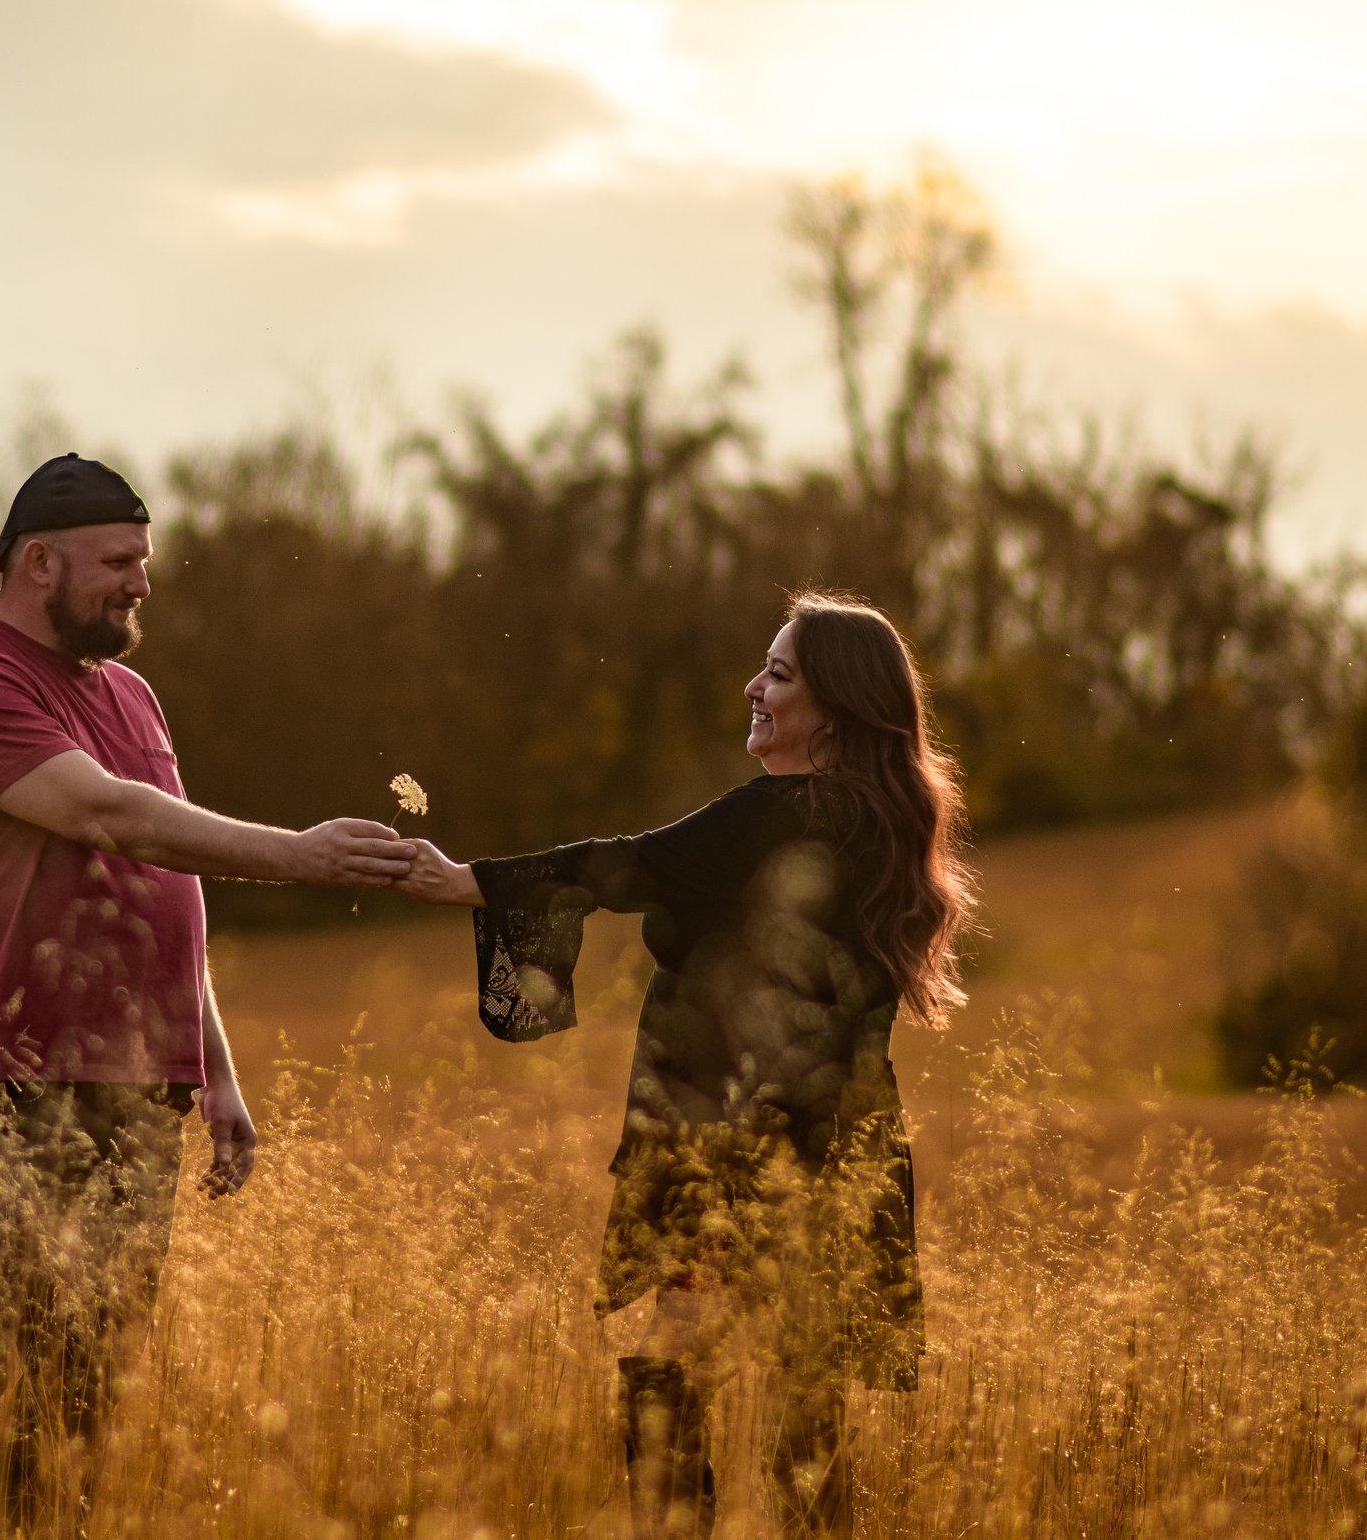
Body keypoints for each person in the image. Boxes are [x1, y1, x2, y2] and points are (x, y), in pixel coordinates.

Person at [0, 453, 416, 1538]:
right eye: (120, 560)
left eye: (144, 560)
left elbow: (165, 883)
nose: (141, 583)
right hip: (1, 1085)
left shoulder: (130, 692)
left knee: (82, 1383)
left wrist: (210, 1063)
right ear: (38, 561)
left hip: (135, 1092)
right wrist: (299, 855)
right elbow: (108, 816)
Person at [396, 590, 977, 1537]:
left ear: (833, 706)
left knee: (670, 1377)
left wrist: (469, 880)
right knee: (806, 1411)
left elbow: (635, 866)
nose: (754, 686)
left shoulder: (779, 812)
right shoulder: (880, 824)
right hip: (843, 1151)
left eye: (780, 673)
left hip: (734, 1148)